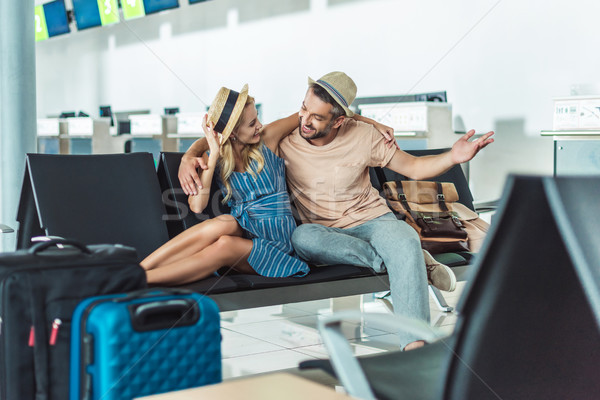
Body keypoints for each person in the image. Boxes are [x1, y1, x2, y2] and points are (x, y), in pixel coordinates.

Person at [179, 72, 494, 351]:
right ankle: (411, 261)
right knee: (302, 238)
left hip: (374, 221)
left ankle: (415, 347)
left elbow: (412, 166)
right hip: (322, 234)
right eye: (304, 108)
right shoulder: (284, 138)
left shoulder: (364, 135)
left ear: (340, 120)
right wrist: (189, 156)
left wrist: (452, 156)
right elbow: (228, 135)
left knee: (402, 239)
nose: (305, 120)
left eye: (316, 116)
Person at [143, 84, 394, 285]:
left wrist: (373, 124)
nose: (260, 125)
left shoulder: (268, 138)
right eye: (252, 123)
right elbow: (196, 206)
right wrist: (212, 152)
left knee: (225, 242)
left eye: (257, 118)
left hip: (279, 243)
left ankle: (140, 279)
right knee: (224, 223)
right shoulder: (216, 158)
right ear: (232, 133)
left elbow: (329, 114)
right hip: (247, 231)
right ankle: (140, 270)